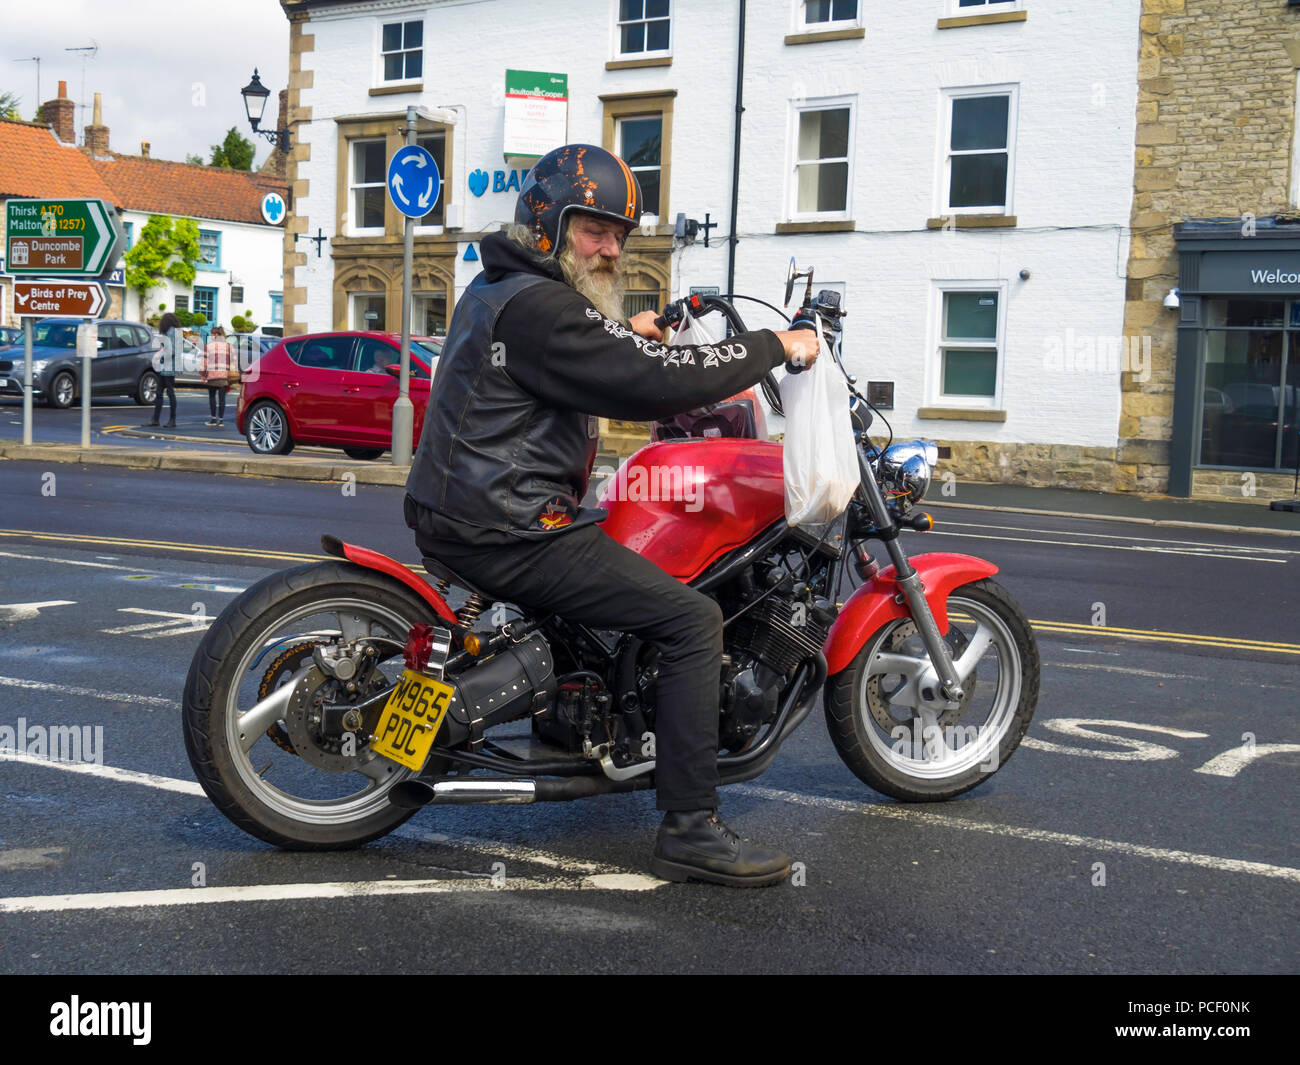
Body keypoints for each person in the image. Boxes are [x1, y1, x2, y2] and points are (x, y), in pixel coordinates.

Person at [404, 144, 819, 888]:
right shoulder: (541, 308)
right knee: (692, 620)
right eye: (595, 228)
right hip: (512, 525)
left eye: (621, 235)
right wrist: (771, 346)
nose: (611, 247)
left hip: (461, 509)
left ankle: (583, 711)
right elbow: (646, 385)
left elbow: (587, 355)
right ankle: (692, 826)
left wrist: (635, 332)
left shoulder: (499, 288)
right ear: (548, 220)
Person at [148, 312, 180, 428]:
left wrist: (159, 355)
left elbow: (171, 351)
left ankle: (171, 420)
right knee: (160, 392)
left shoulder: (171, 332)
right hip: (167, 366)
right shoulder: (173, 332)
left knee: (169, 393)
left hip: (169, 366)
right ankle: (156, 419)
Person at [202, 326, 232, 427]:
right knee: (222, 399)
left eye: (212, 334)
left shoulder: (208, 346)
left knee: (212, 397)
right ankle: (221, 420)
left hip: (212, 375)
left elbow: (204, 362)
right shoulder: (228, 346)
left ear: (216, 335)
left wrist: (203, 374)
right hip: (224, 375)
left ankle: (213, 419)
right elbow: (234, 360)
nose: (211, 336)